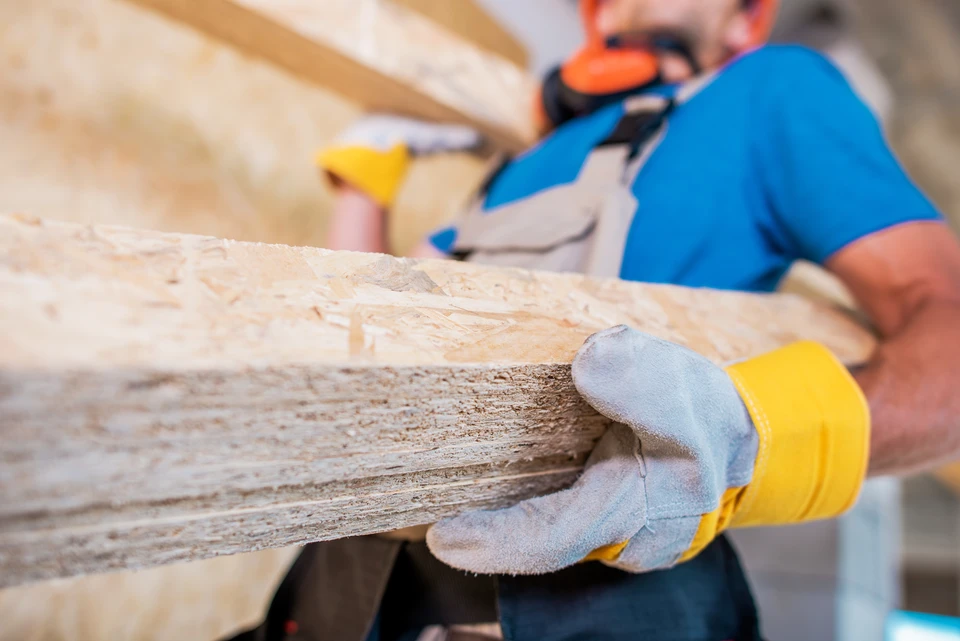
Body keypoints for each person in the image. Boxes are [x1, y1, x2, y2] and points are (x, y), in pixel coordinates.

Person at [233, 0, 960, 639]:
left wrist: (752, 444)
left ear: (744, 19)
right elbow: (379, 327)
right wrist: (364, 183)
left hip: (595, 602)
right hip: (351, 581)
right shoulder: (525, 161)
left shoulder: (770, 93)